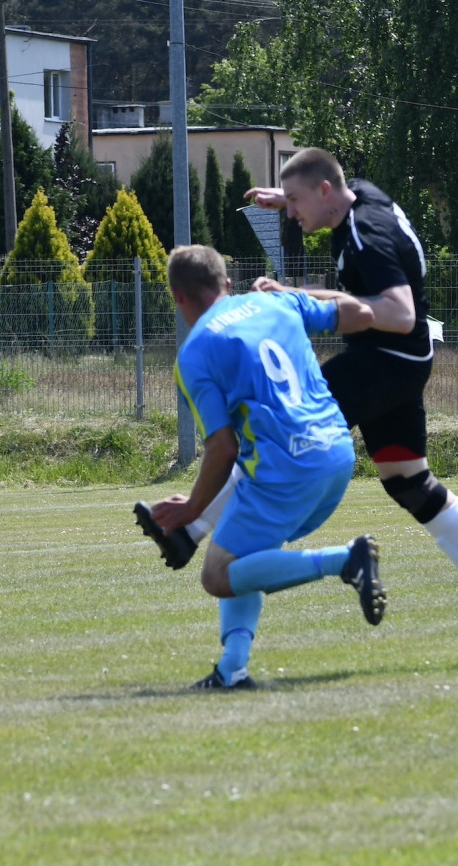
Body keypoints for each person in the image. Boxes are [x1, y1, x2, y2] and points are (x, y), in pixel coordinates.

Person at [136, 147, 458, 656]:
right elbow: (335, 192)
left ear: (326, 193)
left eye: (297, 202)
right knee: (410, 484)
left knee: (285, 431)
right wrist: (286, 199)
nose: (293, 214)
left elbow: (399, 311)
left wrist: (295, 294)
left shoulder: (365, 239)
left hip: (388, 358)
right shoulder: (358, 196)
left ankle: (192, 531)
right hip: (404, 361)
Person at [135, 243, 386, 690]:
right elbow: (360, 315)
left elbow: (222, 448)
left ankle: (346, 560)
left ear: (178, 297)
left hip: (285, 471)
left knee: (216, 575)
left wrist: (194, 507)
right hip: (337, 451)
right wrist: (291, 291)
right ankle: (233, 669)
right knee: (236, 555)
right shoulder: (275, 300)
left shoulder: (195, 355)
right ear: (227, 284)